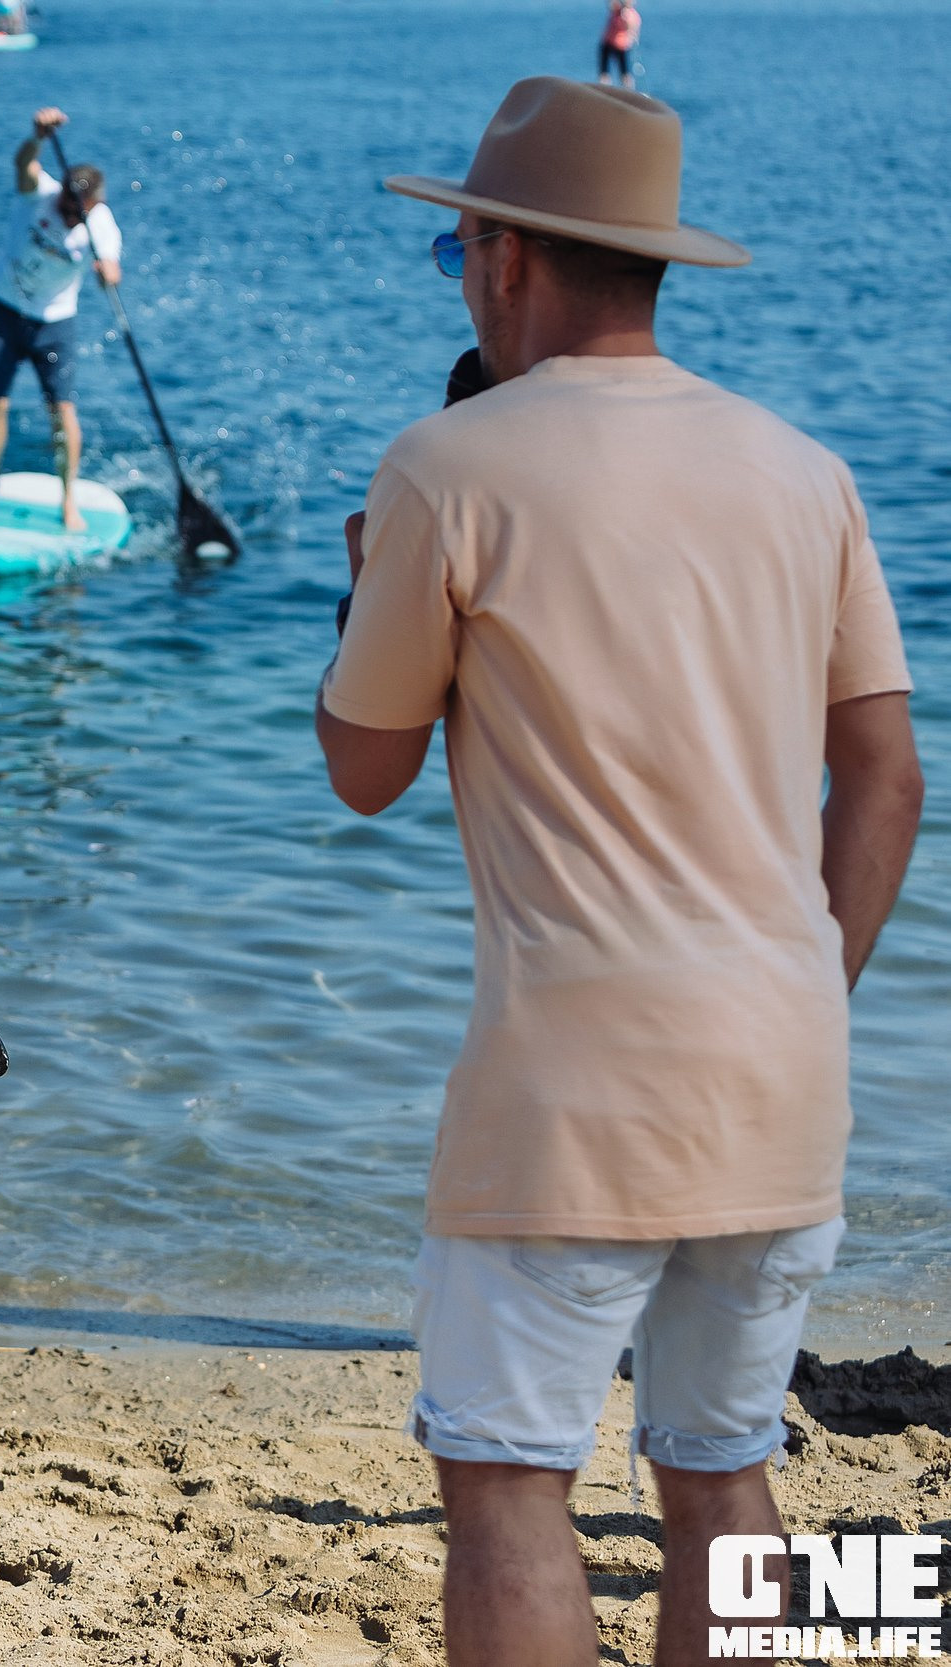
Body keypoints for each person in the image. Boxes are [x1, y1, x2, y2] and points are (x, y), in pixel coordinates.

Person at [319, 78, 921, 1667]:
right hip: (782, 1067)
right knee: (723, 1469)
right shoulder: (805, 469)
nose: (461, 277)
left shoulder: (447, 466)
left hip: (572, 1087)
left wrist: (365, 600)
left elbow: (365, 769)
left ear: (508, 258)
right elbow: (888, 775)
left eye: (458, 250)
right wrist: (809, 982)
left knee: (509, 1481)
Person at [0, 108, 122, 532]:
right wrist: (37, 138)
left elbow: (112, 268)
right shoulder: (39, 193)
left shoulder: (102, 226)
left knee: (62, 412)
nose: (68, 215)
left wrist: (106, 274)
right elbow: (23, 163)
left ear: (94, 205)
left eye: (77, 213)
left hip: (55, 324)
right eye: (65, 206)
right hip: (6, 309)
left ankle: (69, 501)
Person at [599, 0, 640, 86]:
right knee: (604, 70)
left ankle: (629, 89)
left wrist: (626, 17)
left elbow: (633, 31)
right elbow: (610, 4)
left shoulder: (633, 15)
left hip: (621, 46)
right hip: (608, 42)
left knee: (624, 71)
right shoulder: (616, 10)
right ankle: (604, 86)